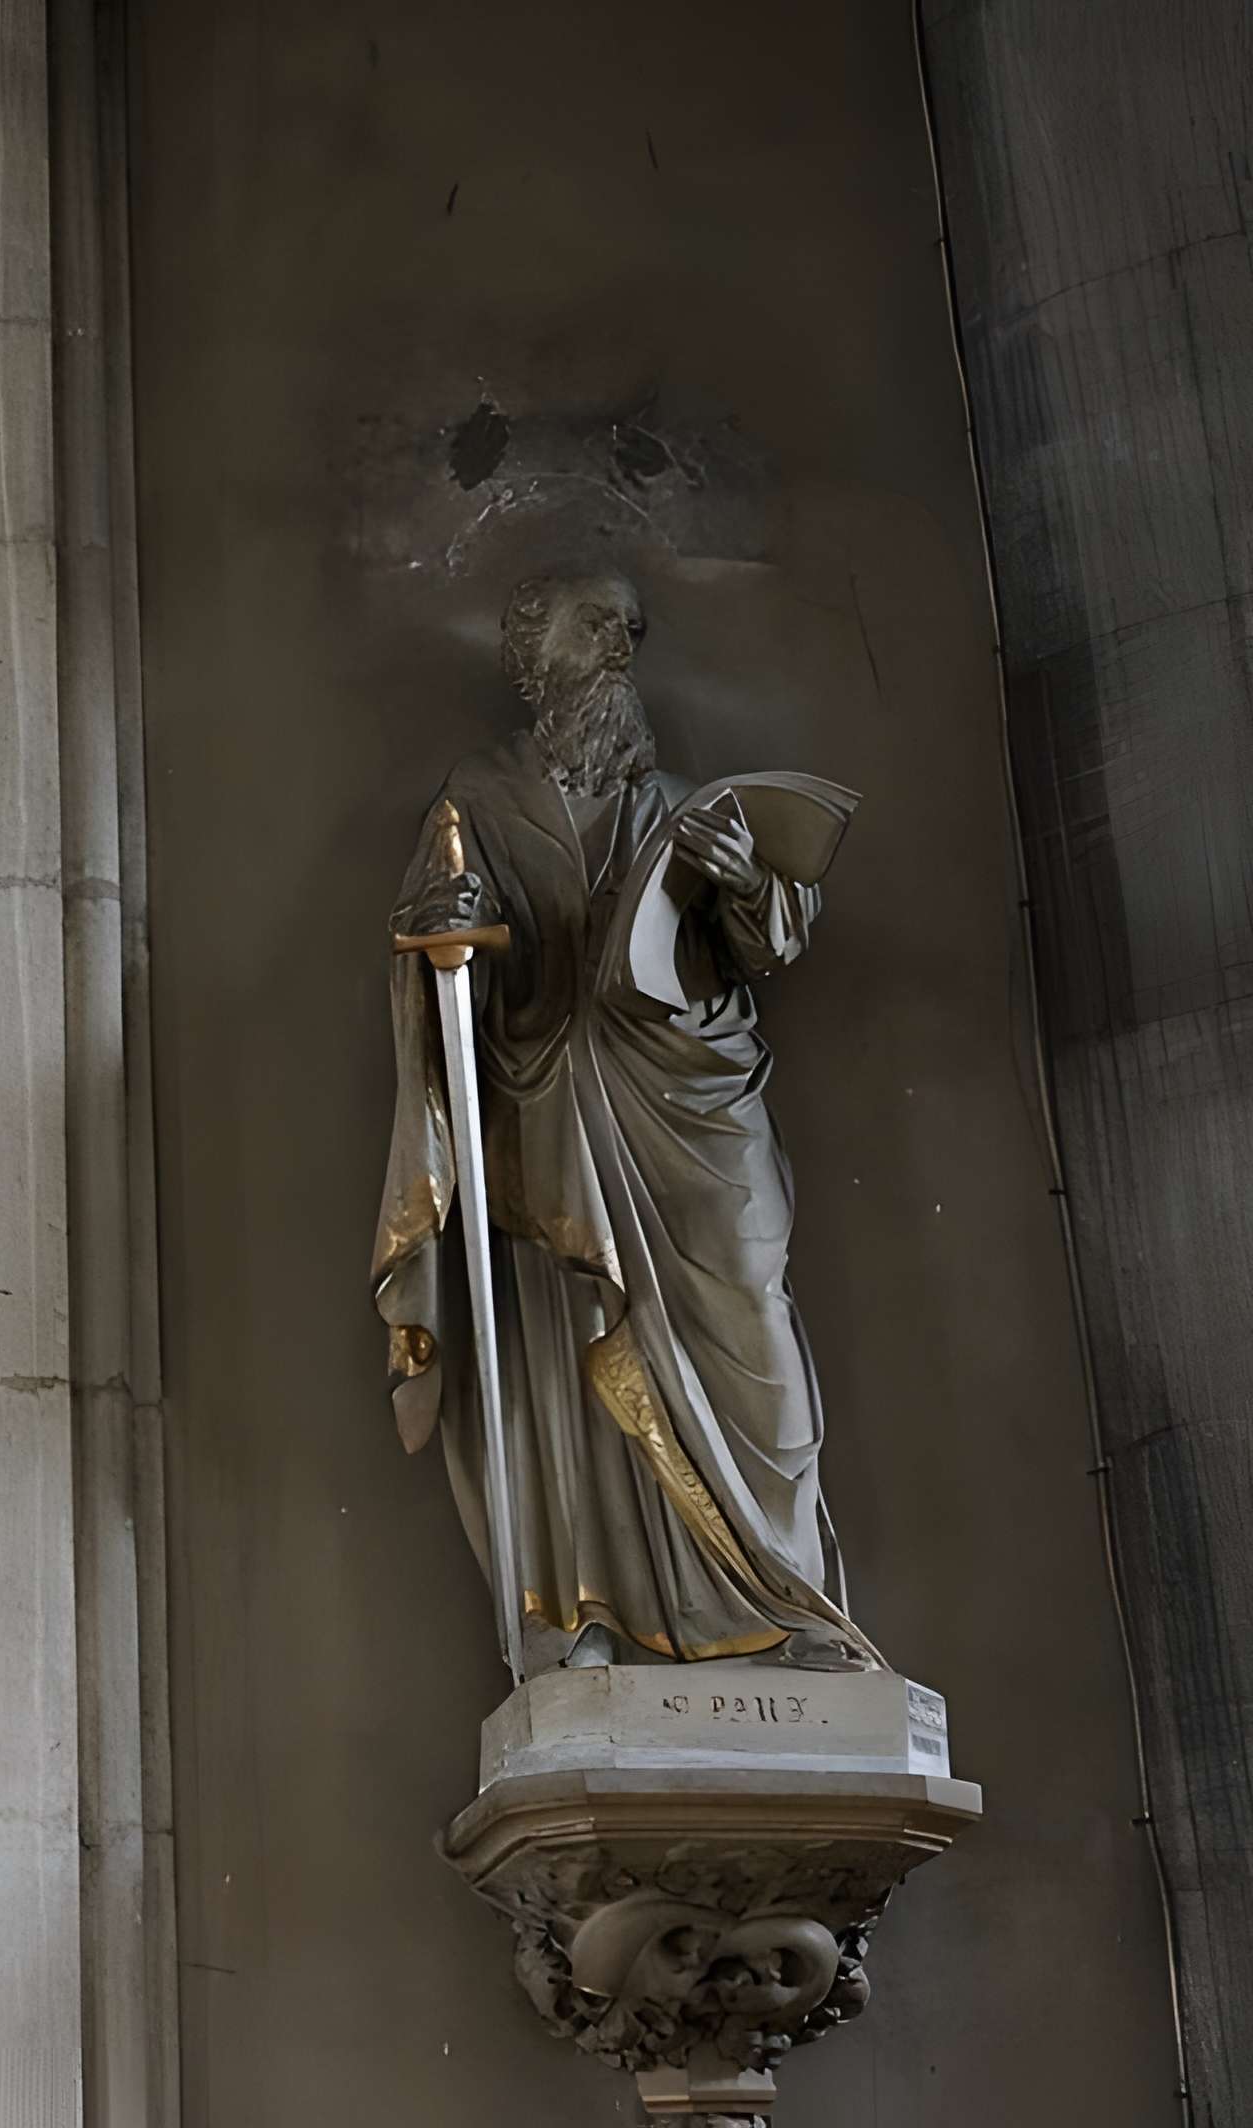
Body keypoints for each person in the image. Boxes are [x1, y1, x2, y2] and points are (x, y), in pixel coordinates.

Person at [376, 571, 876, 1674]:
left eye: (624, 626)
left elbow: (773, 936)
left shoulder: (685, 805)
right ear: (529, 657)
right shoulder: (478, 797)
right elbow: (434, 931)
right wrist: (445, 932)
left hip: (689, 1110)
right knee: (560, 1352)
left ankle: (785, 1606)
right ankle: (580, 1609)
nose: (619, 639)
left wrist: (746, 883)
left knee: (751, 1330)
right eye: (588, 621)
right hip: (545, 1102)